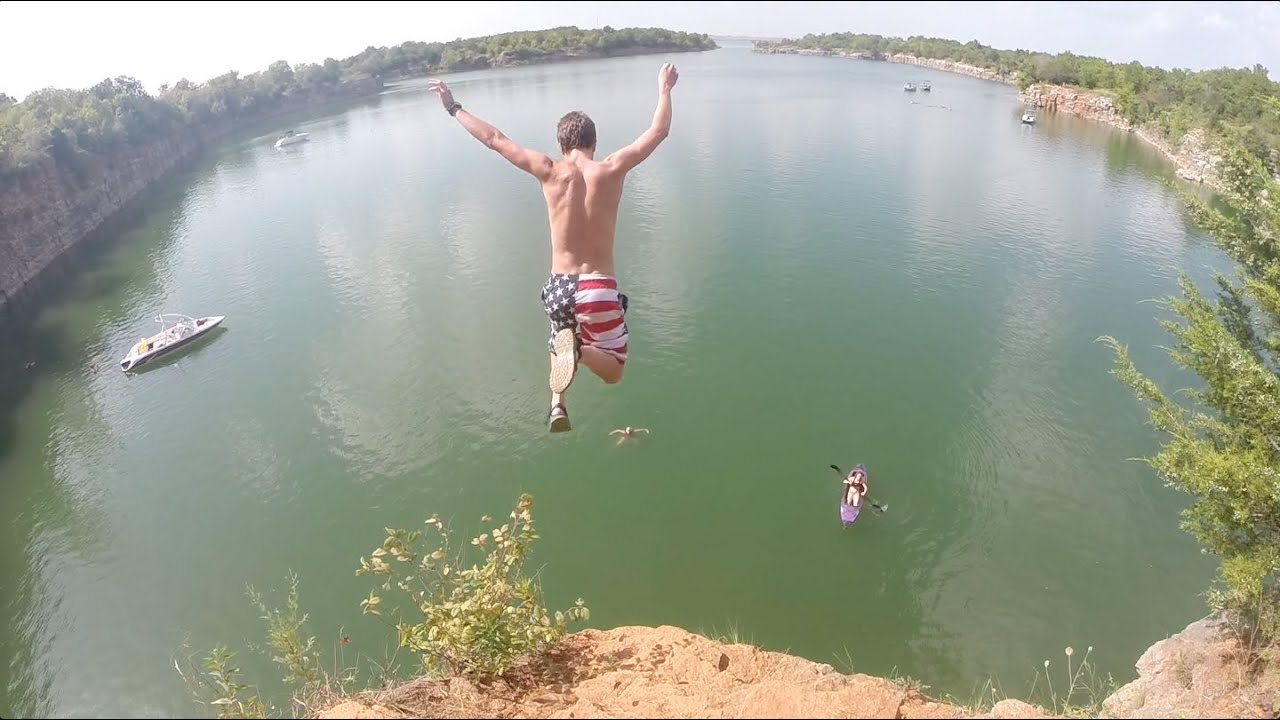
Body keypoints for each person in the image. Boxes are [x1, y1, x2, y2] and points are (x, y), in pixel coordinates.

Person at [428, 62, 680, 433]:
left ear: (562, 146)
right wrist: (664, 89)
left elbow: (495, 139)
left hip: (561, 287)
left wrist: (454, 107)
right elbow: (658, 131)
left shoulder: (548, 170)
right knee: (613, 371)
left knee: (557, 335)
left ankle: (557, 405)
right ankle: (581, 351)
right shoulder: (611, 169)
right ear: (593, 143)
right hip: (598, 288)